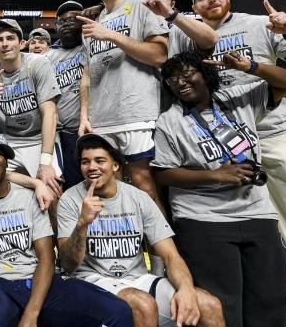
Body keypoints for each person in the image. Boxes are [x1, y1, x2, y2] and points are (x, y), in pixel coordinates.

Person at [171, 0, 286, 319]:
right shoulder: (188, 35)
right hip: (222, 140)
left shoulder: (258, 24)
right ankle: (252, 291)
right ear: (194, 8)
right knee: (239, 221)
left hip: (271, 131)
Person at [152, 51, 286, 326]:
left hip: (257, 212)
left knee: (271, 299)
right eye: (172, 80)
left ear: (205, 74)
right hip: (203, 219)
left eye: (187, 74)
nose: (180, 82)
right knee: (223, 304)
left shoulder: (237, 99)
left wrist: (252, 67)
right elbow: (163, 174)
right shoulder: (169, 120)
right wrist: (215, 175)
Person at [77, 0, 217, 214]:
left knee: (145, 186)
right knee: (111, 190)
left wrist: (109, 35)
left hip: (136, 115)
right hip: (101, 119)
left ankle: (163, 242)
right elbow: (87, 73)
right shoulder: (95, 20)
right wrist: (84, 116)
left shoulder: (142, 5)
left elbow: (159, 55)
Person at [0, 132, 135, 327]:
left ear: (6, 161)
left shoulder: (29, 197)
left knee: (118, 311)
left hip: (39, 281)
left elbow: (47, 257)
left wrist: (32, 313)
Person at [58, 133, 224, 327]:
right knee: (143, 305)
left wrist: (186, 289)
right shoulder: (70, 199)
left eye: (100, 160)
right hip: (92, 281)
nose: (92, 167)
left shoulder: (138, 198)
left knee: (209, 305)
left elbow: (170, 256)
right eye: (85, 162)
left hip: (138, 280)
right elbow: (68, 265)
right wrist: (82, 224)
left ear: (115, 166)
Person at [0, 19, 62, 201]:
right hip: (9, 141)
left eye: (10, 38)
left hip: (39, 138)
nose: (5, 44)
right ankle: (33, 185)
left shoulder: (38, 64)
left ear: (21, 43)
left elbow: (50, 113)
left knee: (51, 192)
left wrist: (45, 163)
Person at [45, 2, 89, 189]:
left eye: (72, 19)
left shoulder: (90, 46)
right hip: (59, 133)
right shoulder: (47, 58)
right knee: (67, 186)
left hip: (88, 129)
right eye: (61, 22)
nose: (66, 24)